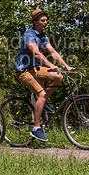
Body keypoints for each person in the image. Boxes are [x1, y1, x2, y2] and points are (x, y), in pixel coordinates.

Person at [15, 9, 74, 142]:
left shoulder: (43, 36)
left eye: (46, 20)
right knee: (41, 94)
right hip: (24, 71)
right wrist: (50, 65)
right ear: (35, 22)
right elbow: (36, 53)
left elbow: (53, 52)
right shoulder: (29, 35)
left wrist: (66, 66)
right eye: (42, 20)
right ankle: (36, 128)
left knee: (58, 76)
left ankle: (43, 101)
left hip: (35, 69)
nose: (45, 22)